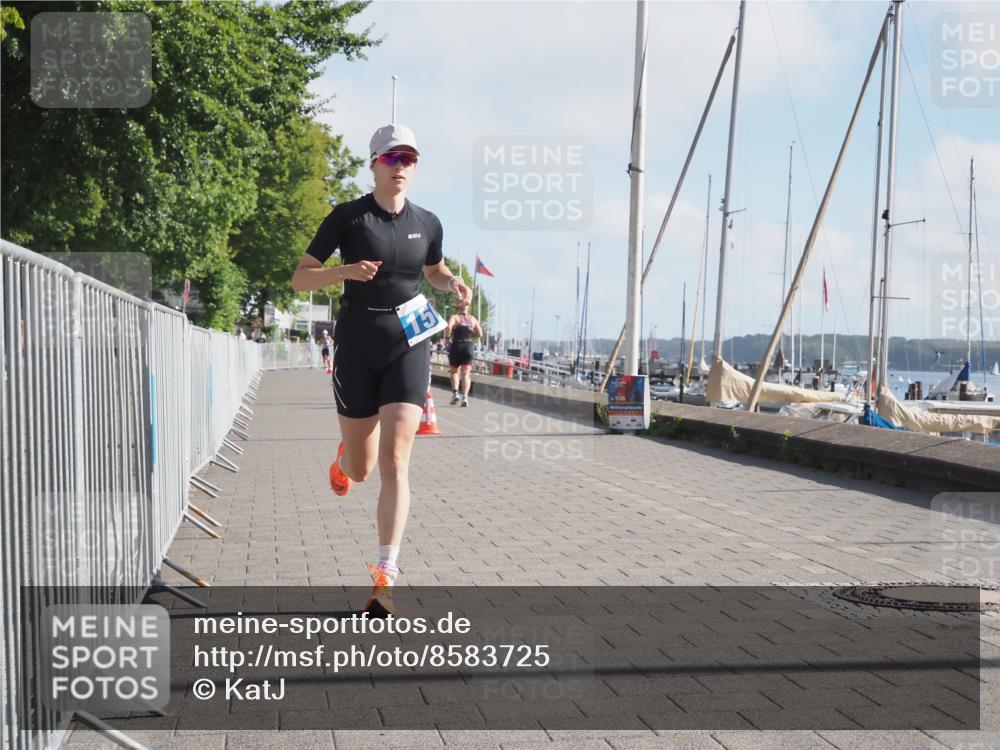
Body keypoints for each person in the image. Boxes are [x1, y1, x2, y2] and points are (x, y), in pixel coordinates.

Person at [291, 123, 471, 612]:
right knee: (363, 467)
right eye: (393, 159)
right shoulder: (347, 218)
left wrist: (451, 281)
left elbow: (431, 269)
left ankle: (385, 577)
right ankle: (343, 461)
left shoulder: (429, 222)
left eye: (409, 159)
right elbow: (300, 278)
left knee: (396, 460)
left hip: (409, 340)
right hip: (357, 340)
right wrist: (343, 272)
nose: (401, 167)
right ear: (374, 163)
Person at [444, 302, 483, 406]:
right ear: (468, 307)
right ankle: (465, 397)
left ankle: (455, 393)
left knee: (454, 372)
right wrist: (470, 334)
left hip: (456, 345)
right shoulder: (473, 319)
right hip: (468, 346)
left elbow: (448, 327)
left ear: (458, 306)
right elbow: (480, 333)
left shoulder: (455, 317)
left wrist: (447, 338)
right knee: (466, 374)